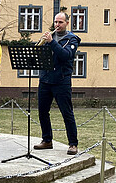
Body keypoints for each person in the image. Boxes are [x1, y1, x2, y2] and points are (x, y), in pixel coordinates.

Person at [33, 12, 81, 155]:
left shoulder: (72, 39)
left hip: (61, 81)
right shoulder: (50, 37)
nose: (57, 25)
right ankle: (47, 140)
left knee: (67, 113)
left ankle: (73, 144)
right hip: (45, 80)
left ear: (67, 23)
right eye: (55, 22)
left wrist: (51, 42)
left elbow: (66, 55)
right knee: (42, 112)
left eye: (60, 22)